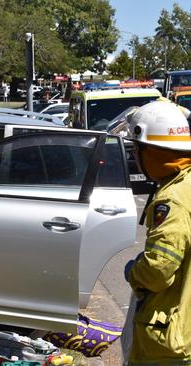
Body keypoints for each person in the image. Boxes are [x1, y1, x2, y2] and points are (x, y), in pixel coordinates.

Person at [123, 100, 191, 364]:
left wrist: (133, 270)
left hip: (172, 343)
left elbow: (157, 270)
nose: (135, 159)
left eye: (136, 150)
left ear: (153, 152)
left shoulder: (172, 200)